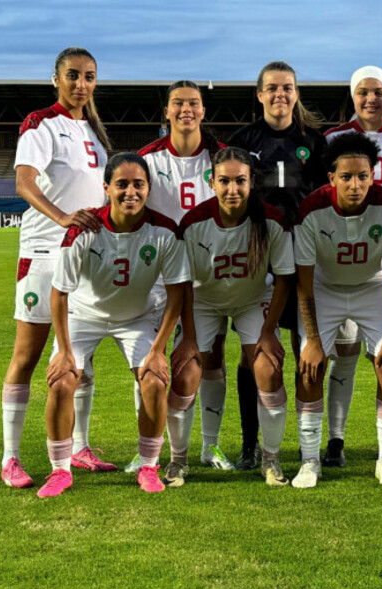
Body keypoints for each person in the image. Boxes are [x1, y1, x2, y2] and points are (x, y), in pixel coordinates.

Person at [37, 152, 191, 497]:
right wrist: (64, 351)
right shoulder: (84, 228)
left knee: (154, 381)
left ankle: (148, 466)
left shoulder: (164, 231)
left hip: (137, 318)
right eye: (122, 184)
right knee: (61, 381)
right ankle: (60, 470)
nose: (130, 192)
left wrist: (158, 350)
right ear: (106, 188)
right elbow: (59, 294)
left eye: (138, 184)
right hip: (83, 315)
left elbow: (177, 295)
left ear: (148, 189)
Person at [0, 47, 111, 488]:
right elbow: (24, 182)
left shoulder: (95, 132)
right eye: (73, 75)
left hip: (87, 255)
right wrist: (62, 217)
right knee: (27, 355)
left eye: (89, 76)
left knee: (80, 356)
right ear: (56, 79)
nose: (81, 84)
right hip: (45, 252)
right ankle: (10, 458)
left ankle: (79, 447)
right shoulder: (40, 123)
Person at [227, 61, 327, 470]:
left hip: (302, 255)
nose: (279, 94)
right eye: (272, 87)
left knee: (307, 349)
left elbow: (323, 197)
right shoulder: (243, 139)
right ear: (260, 94)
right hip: (258, 255)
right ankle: (250, 443)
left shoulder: (315, 141)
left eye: (287, 87)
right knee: (252, 353)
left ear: (296, 93)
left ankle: (307, 444)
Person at [178, 147, 295, 487]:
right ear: (211, 182)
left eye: (240, 181)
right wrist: (187, 337)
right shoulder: (194, 223)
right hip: (203, 300)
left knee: (267, 367)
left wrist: (269, 332)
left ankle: (270, 459)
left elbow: (284, 277)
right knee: (187, 371)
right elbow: (182, 283)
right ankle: (184, 458)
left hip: (252, 299)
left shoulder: (271, 220)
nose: (232, 189)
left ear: (252, 182)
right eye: (225, 181)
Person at [295, 132, 382, 488]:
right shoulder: (312, 210)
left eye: (362, 176)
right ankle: (310, 460)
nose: (355, 185)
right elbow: (304, 282)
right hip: (324, 287)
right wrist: (313, 339)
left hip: (371, 285)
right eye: (346, 177)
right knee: (310, 368)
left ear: (373, 175)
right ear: (332, 178)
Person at [135, 81, 229, 476]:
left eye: (193, 103)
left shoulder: (220, 156)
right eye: (178, 103)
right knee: (148, 359)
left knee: (211, 357)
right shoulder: (146, 159)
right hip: (157, 275)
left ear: (203, 111)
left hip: (209, 273)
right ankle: (148, 450)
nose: (186, 109)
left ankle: (210, 445)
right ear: (166, 112)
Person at [321, 66, 382, 467]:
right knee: (343, 354)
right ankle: (335, 440)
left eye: (378, 92)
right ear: (352, 96)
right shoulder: (332, 139)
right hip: (341, 256)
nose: (371, 99)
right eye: (363, 92)